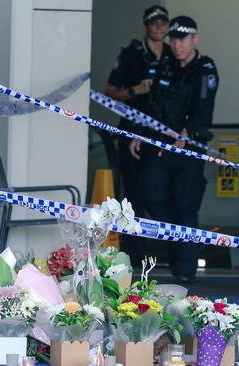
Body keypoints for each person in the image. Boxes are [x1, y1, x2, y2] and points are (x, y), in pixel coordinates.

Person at [131, 15, 219, 283]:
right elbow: (153, 105)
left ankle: (185, 267)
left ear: (195, 39)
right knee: (153, 198)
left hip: (189, 148)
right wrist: (140, 135)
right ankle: (181, 247)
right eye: (174, 39)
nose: (177, 45)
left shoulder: (205, 69)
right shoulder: (166, 65)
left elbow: (204, 109)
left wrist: (187, 134)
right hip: (161, 146)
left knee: (186, 205)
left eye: (183, 39)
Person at [103, 5, 173, 262]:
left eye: (163, 22)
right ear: (146, 25)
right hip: (132, 133)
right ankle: (134, 255)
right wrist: (136, 90)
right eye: (154, 22)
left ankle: (171, 254)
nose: (158, 27)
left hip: (166, 136)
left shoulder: (173, 55)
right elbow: (110, 91)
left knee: (162, 193)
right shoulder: (131, 54)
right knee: (133, 195)